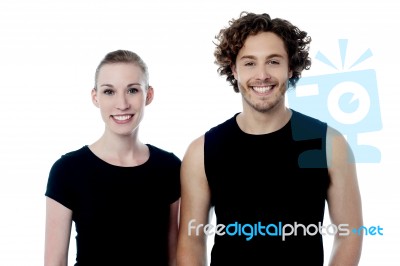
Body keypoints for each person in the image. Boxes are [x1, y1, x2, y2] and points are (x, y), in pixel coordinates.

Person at [177, 12, 363, 266]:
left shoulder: (330, 144)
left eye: (273, 62)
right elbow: (191, 241)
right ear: (234, 69)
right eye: (250, 63)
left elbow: (349, 234)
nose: (262, 75)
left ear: (290, 67)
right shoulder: (203, 151)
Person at [44, 50, 181, 265]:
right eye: (109, 92)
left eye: (133, 90)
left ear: (149, 95)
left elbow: (174, 258)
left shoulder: (170, 168)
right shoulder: (68, 170)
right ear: (95, 97)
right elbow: (54, 262)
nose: (122, 104)